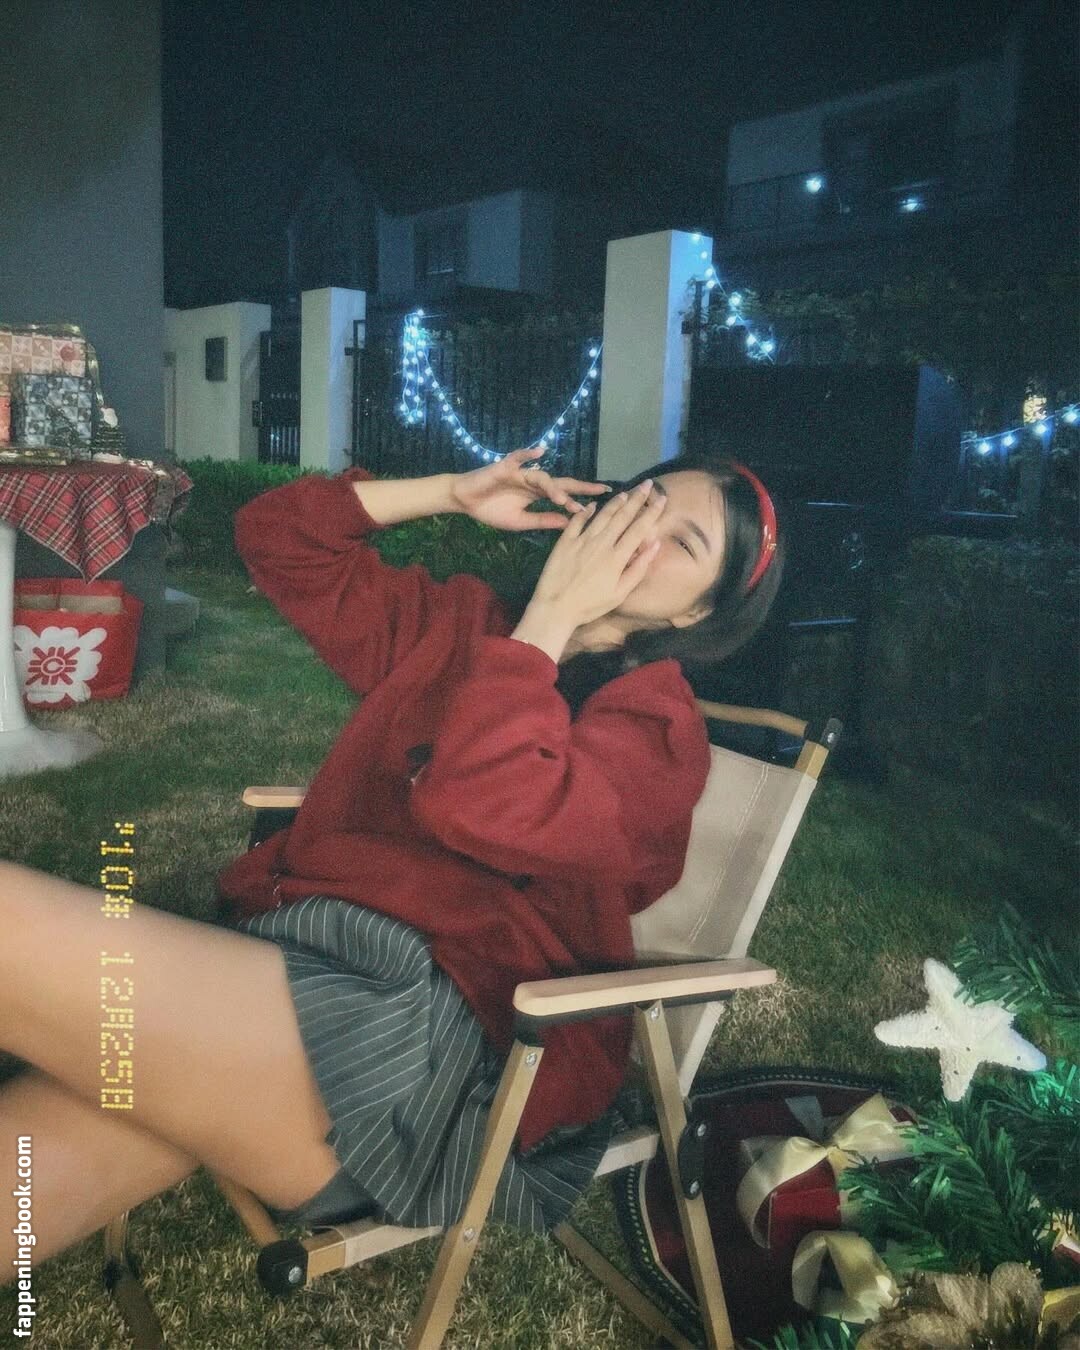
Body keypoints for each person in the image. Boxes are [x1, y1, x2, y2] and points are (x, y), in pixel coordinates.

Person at [0, 445, 784, 1275]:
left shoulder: (656, 734)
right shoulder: (461, 624)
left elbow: (480, 801)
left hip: (426, 1052)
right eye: (645, 500)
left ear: (697, 614)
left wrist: (551, 621)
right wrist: (449, 490)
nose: (642, 532)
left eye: (683, 542)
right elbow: (275, 537)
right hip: (299, 960)